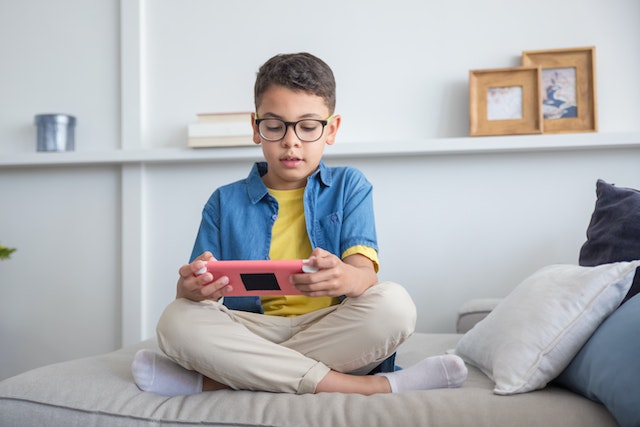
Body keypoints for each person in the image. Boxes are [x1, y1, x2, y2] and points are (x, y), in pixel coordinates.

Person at [132, 52, 467, 396]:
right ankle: (372, 386)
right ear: (255, 128)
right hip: (251, 329)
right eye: (275, 126)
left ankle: (219, 380)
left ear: (331, 129)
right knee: (176, 320)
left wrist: (343, 276)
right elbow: (194, 294)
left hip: (328, 326)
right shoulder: (224, 201)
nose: (291, 141)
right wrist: (190, 288)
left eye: (308, 127)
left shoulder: (350, 185)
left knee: (395, 305)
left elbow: (366, 277)